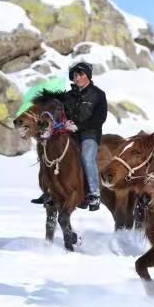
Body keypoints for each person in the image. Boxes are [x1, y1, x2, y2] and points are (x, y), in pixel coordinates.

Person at [61, 62, 108, 211]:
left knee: (87, 157)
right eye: (75, 75)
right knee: (53, 153)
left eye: (81, 74)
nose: (77, 77)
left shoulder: (99, 94)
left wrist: (79, 126)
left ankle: (94, 193)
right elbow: (60, 114)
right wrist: (65, 121)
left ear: (87, 76)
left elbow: (100, 118)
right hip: (69, 133)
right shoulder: (67, 96)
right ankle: (50, 190)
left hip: (90, 134)